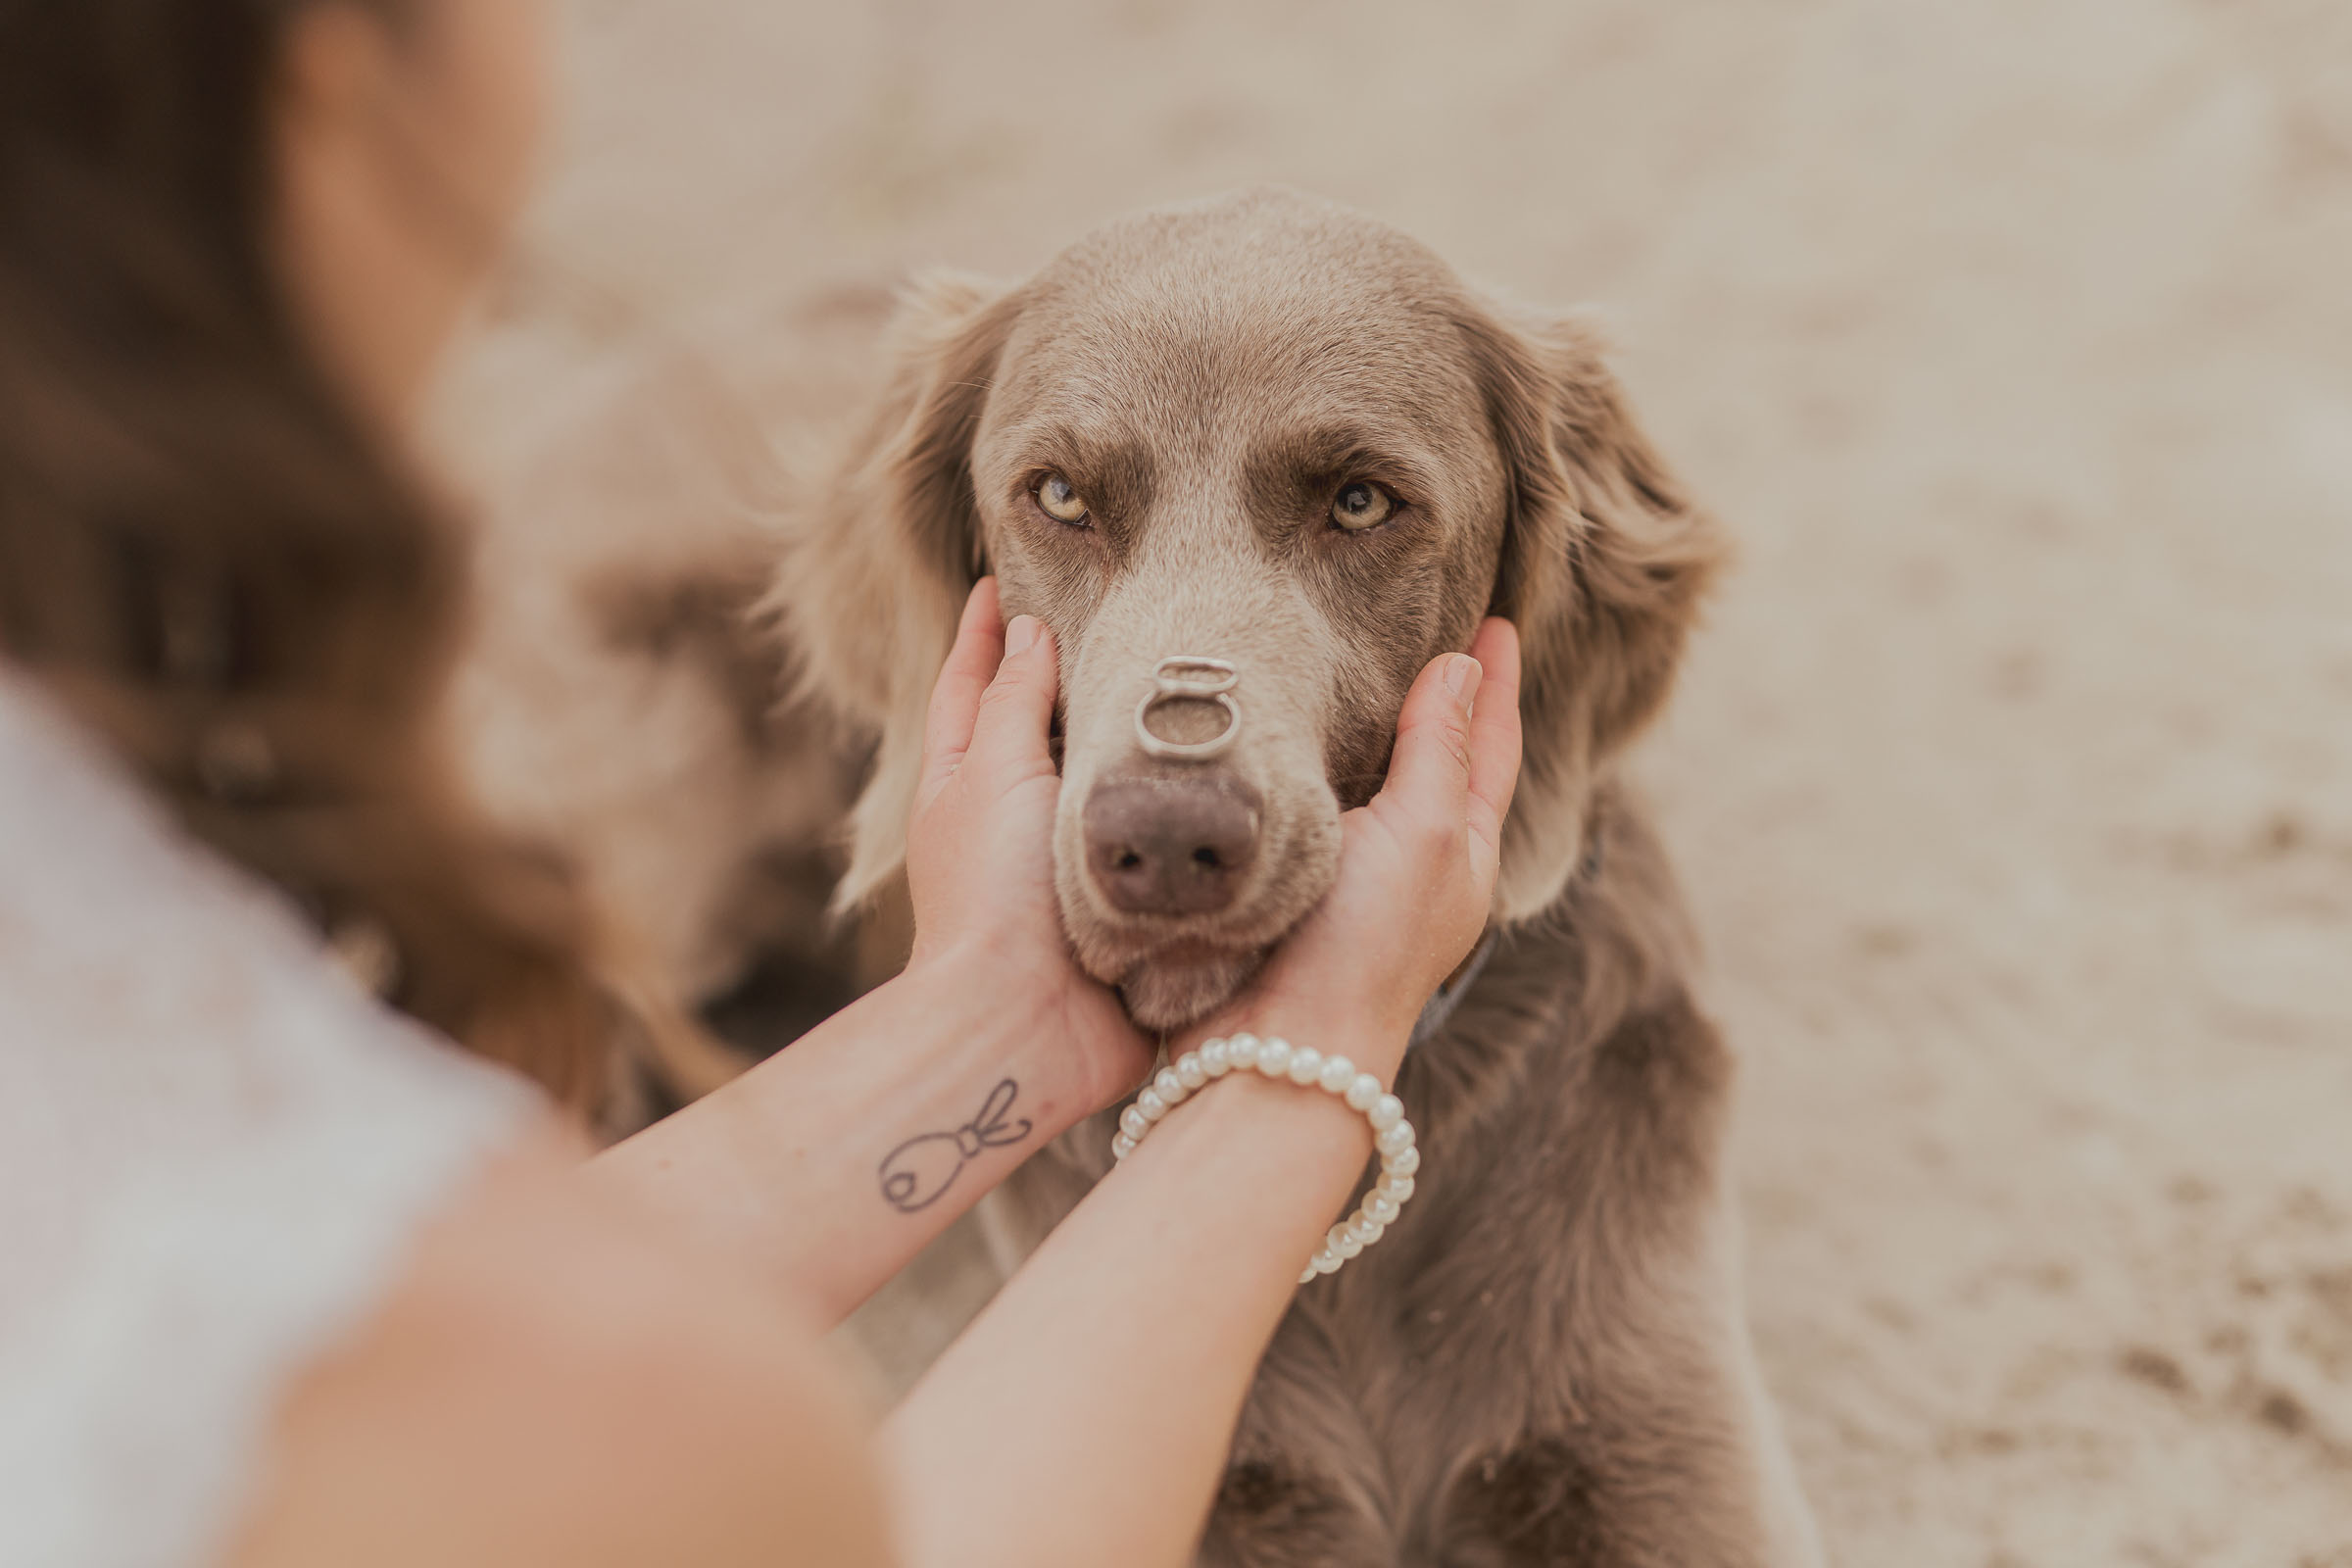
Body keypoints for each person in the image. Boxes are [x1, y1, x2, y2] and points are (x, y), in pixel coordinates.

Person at [0, 2, 1523, 1565]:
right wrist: (1300, 1080)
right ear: (327, 55)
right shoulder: (634, 1413)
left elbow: (316, 1293)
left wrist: (995, 1009)